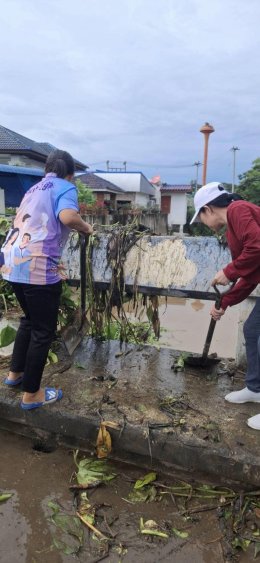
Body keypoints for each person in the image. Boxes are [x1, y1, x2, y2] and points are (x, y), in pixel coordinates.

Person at [2, 149, 93, 410]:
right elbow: (67, 217)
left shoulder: (33, 190)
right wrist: (87, 228)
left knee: (28, 322)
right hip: (38, 267)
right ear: (71, 173)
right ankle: (32, 395)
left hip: (12, 263)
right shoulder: (66, 186)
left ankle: (14, 375)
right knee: (43, 331)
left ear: (46, 170)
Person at [191, 182, 260, 430]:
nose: (202, 224)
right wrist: (226, 301)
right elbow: (251, 274)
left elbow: (256, 247)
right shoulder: (232, 231)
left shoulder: (238, 210)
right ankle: (255, 388)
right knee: (252, 331)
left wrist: (228, 272)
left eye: (200, 217)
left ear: (208, 209)